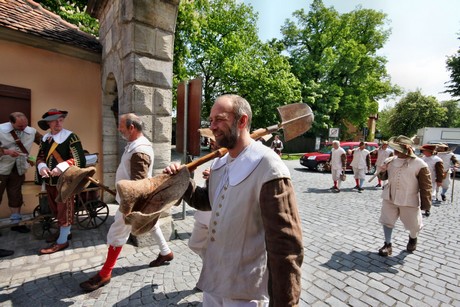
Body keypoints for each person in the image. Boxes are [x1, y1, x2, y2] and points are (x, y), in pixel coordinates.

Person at [164, 94, 303, 306]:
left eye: (219, 119)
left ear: (242, 121)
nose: (213, 126)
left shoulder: (269, 167)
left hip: (246, 292)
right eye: (211, 121)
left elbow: (286, 247)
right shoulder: (220, 163)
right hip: (215, 282)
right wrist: (182, 181)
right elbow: (207, 201)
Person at [80, 113, 173, 292]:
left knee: (116, 233)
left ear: (132, 128)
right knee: (152, 224)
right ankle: (166, 252)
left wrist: (129, 208)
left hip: (132, 202)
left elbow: (139, 184)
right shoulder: (133, 145)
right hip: (129, 199)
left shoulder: (140, 150)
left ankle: (105, 273)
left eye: (121, 126)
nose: (118, 129)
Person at [35, 109, 86, 254]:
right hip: (50, 181)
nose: (58, 123)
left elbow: (79, 159)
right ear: (48, 123)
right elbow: (40, 157)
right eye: (55, 120)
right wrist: (42, 166)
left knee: (65, 210)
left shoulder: (70, 137)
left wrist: (62, 166)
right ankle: (64, 233)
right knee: (55, 210)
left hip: (66, 182)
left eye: (61, 120)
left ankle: (62, 242)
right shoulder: (45, 139)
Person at [376, 135, 432, 257]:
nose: (395, 151)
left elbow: (426, 186)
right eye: (395, 149)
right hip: (389, 197)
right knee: (387, 221)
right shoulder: (390, 161)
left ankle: (413, 238)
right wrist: (382, 171)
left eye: (398, 149)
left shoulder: (420, 164)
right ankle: (387, 244)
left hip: (409, 199)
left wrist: (426, 204)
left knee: (414, 225)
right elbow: (383, 177)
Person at [0, 112, 42, 234]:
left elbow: (45, 143)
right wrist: (6, 151)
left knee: (16, 197)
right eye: (20, 126)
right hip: (1, 169)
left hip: (18, 169)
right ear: (11, 122)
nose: (24, 128)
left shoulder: (32, 131)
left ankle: (16, 223)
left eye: (25, 125)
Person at [420, 144, 443, 213]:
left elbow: (439, 172)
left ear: (429, 151)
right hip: (420, 179)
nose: (422, 152)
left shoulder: (437, 160)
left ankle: (427, 209)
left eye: (424, 150)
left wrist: (439, 181)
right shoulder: (422, 158)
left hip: (430, 180)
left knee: (428, 195)